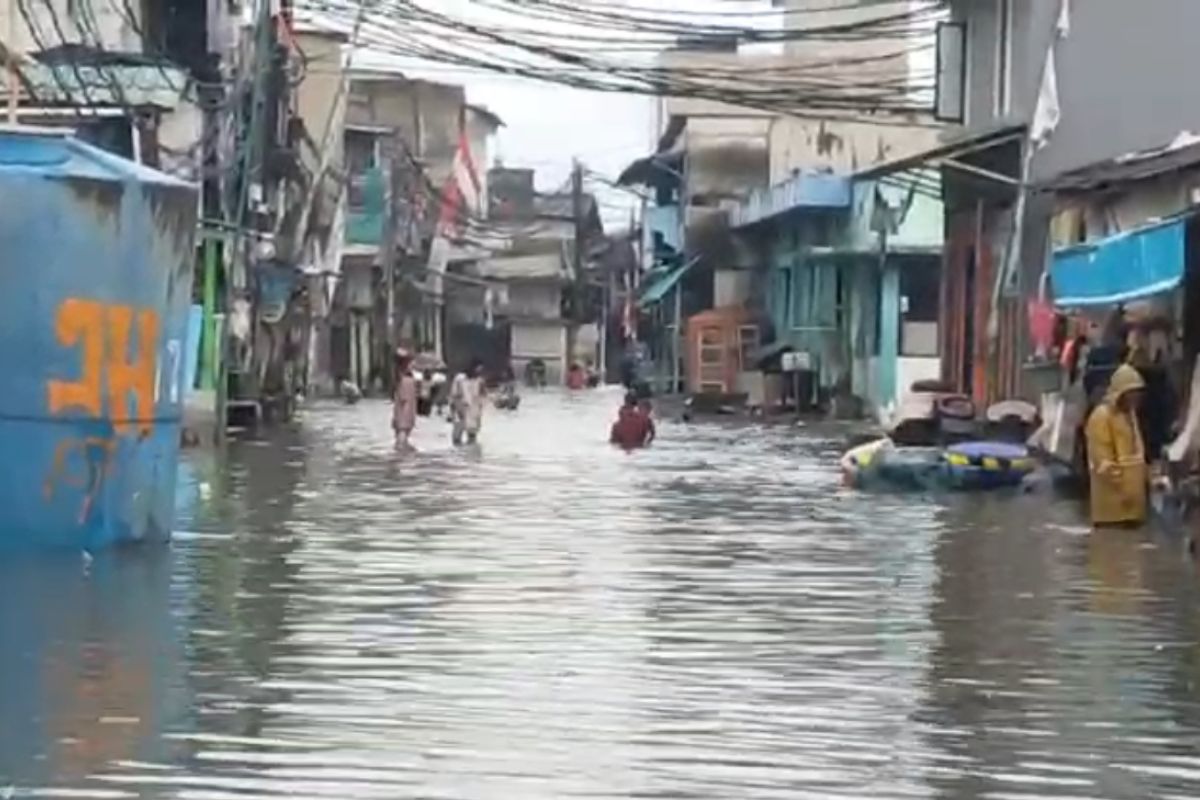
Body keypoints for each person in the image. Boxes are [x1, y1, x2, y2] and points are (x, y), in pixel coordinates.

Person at [1085, 364, 1148, 527]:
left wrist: (1147, 478)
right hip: (1111, 511)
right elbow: (1103, 461)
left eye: (1139, 394)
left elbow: (1137, 453)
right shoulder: (1101, 417)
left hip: (1133, 509)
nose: (1137, 399)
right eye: (1132, 394)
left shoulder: (1130, 416)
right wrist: (1126, 488)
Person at [450, 359, 486, 445]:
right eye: (477, 369)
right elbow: (454, 395)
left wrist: (480, 411)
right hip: (461, 408)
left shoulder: (480, 381)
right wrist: (457, 408)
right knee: (457, 436)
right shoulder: (459, 379)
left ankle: (470, 456)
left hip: (474, 410)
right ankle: (459, 455)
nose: (478, 372)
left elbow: (482, 395)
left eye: (480, 370)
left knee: (472, 436)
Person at [392, 351, 418, 450]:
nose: (413, 365)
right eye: (411, 363)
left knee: (402, 442)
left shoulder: (401, 379)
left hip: (401, 418)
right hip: (404, 418)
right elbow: (405, 401)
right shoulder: (406, 380)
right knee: (401, 442)